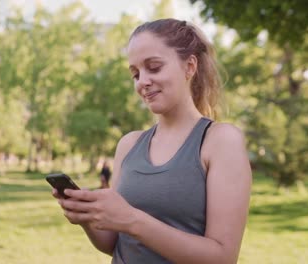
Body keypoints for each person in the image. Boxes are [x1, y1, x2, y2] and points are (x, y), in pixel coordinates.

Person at [52, 18, 252, 264]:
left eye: (154, 67)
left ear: (189, 67)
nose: (142, 82)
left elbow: (222, 258)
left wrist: (132, 220)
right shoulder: (129, 144)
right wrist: (88, 219)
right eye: (135, 74)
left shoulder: (220, 141)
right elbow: (114, 243)